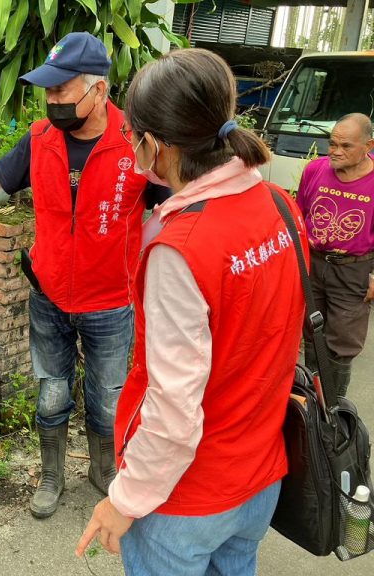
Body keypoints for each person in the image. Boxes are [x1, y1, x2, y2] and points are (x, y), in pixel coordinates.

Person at [75, 48, 308, 576]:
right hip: (261, 477)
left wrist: (125, 500)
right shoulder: (281, 205)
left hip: (189, 498)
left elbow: (175, 407)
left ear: (155, 144)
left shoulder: (181, 250)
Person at [0, 32, 170, 519]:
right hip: (50, 297)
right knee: (51, 391)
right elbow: (1, 182)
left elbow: (168, 210)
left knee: (107, 397)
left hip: (111, 301)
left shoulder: (135, 144)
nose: (52, 100)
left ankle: (103, 469)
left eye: (62, 90)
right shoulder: (38, 138)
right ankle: (52, 473)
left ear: (98, 90)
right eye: (48, 91)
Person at [296, 113, 374, 397]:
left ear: (368, 146)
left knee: (341, 342)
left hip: (353, 269)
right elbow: (298, 217)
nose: (336, 152)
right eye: (332, 144)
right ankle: (311, 406)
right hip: (313, 263)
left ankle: (334, 408)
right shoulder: (315, 170)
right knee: (312, 332)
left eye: (346, 146)